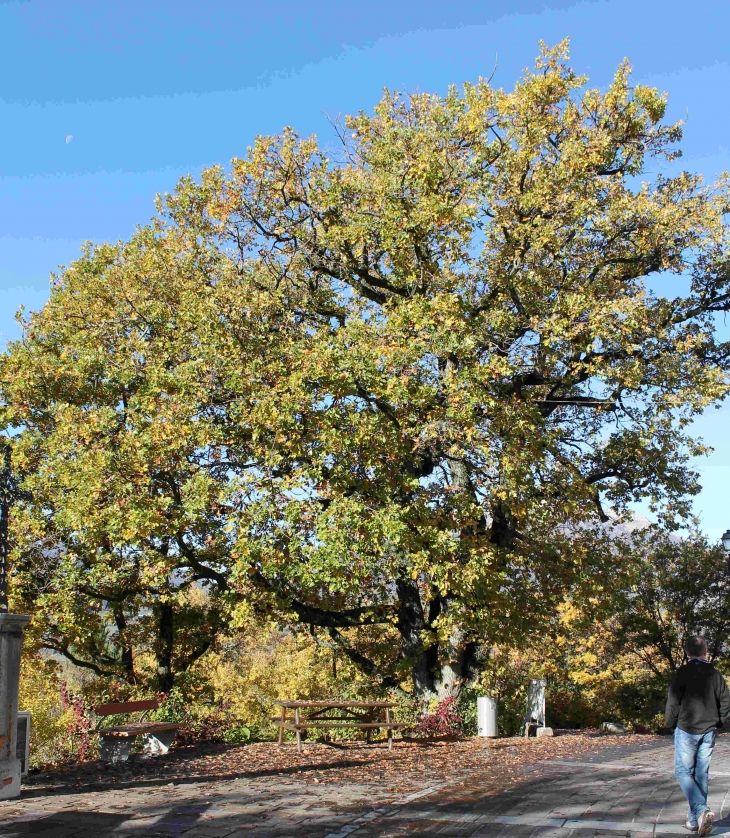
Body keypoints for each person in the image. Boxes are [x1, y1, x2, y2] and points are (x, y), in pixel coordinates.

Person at [665, 636, 730, 835]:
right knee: (701, 774)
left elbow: (673, 701)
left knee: (683, 772)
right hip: (708, 730)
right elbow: (726, 703)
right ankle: (694, 821)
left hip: (686, 729)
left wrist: (669, 723)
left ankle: (701, 810)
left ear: (686, 652)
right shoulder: (715, 674)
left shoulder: (682, 673)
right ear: (706, 651)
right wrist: (721, 723)